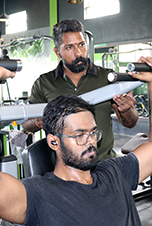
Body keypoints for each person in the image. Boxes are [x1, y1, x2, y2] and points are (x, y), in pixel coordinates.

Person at [0, 56, 152, 226]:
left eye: (93, 133)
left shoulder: (114, 172)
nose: (91, 141)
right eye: (79, 135)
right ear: (54, 142)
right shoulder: (41, 195)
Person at [22, 19, 139, 160]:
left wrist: (127, 109)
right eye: (69, 47)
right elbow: (26, 125)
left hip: (103, 164)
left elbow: (130, 123)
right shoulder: (44, 83)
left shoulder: (108, 78)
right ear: (58, 52)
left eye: (81, 45)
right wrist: (39, 122)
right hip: (64, 169)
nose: (78, 53)